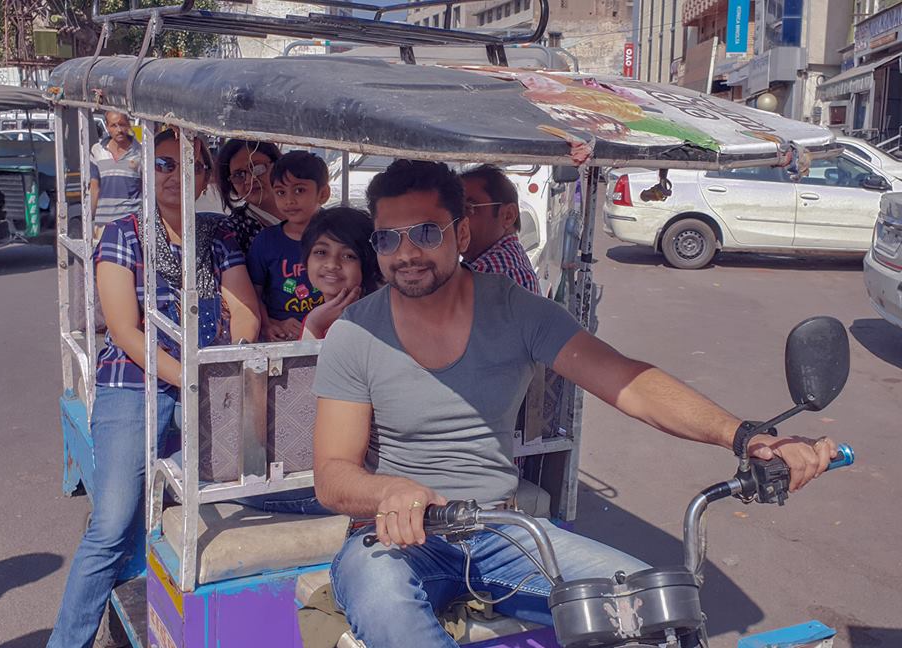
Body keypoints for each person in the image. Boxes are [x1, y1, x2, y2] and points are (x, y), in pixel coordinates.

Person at [311, 159, 840, 648]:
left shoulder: (518, 312)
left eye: (426, 233)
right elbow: (333, 475)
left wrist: (744, 436)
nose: (405, 254)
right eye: (388, 239)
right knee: (385, 606)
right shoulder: (356, 334)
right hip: (392, 540)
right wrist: (389, 491)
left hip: (501, 533)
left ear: (462, 233)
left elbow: (627, 380)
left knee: (654, 605)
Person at [47, 129, 260, 648]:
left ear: (205, 177)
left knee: (233, 506)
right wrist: (190, 379)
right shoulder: (123, 233)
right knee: (113, 525)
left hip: (205, 381)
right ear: (148, 170)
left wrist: (218, 376)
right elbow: (124, 331)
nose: (176, 175)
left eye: (191, 166)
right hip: (133, 382)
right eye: (165, 164)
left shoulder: (218, 235)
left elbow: (246, 313)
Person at [246, 150, 330, 342]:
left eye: (299, 190)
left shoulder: (340, 238)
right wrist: (271, 324)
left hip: (331, 334)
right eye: (281, 192)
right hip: (284, 336)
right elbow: (253, 295)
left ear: (323, 193)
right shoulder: (265, 241)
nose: (289, 201)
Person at [299, 207, 381, 340]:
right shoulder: (319, 315)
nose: (332, 265)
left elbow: (311, 362)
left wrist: (314, 326)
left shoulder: (371, 322)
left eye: (348, 256)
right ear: (306, 261)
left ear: (368, 265)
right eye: (321, 252)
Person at [459, 164, 540, 294]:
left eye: (468, 208)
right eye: (454, 210)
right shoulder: (499, 260)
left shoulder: (493, 275)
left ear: (508, 216)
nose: (457, 219)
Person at [215, 138, 284, 255]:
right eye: (238, 175)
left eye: (257, 168)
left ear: (278, 164)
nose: (249, 180)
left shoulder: (314, 215)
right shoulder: (231, 231)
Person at [89, 110, 143, 229]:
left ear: (128, 125)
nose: (119, 130)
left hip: (131, 223)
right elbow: (94, 188)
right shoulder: (97, 151)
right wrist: (89, 218)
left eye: (122, 124)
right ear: (107, 127)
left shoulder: (141, 152)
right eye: (114, 125)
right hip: (104, 223)